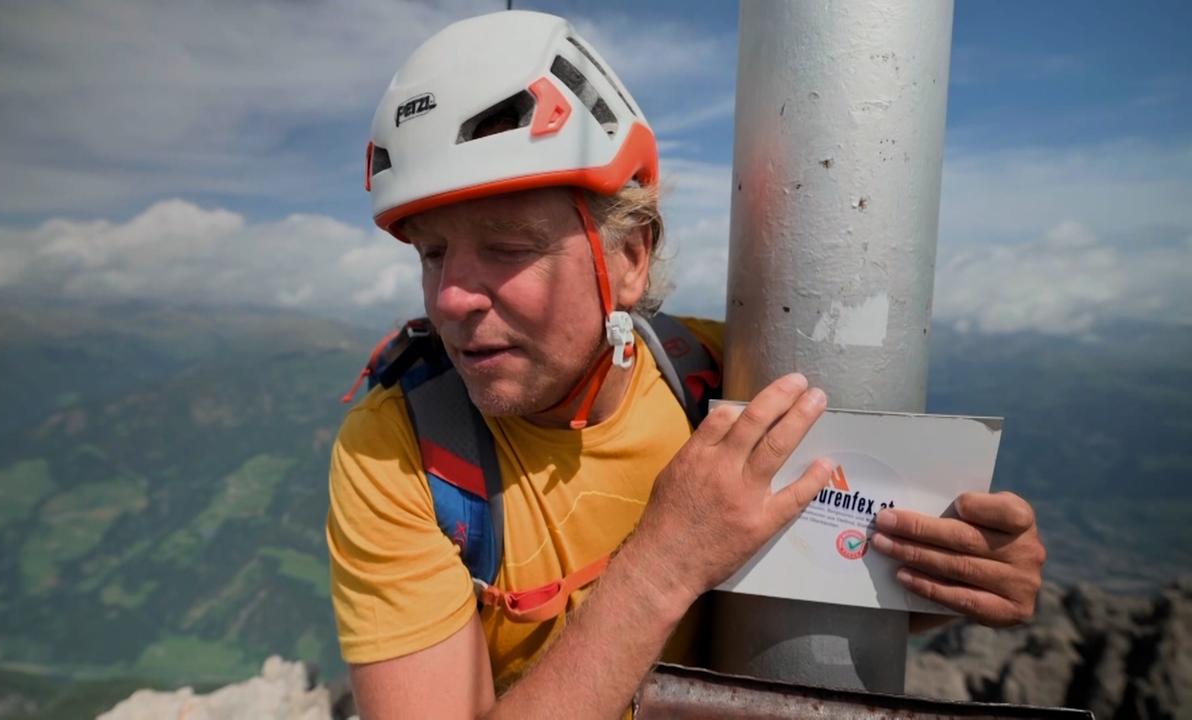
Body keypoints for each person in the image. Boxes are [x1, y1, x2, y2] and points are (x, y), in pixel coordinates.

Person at [327, 10, 1046, 719]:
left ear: (629, 256)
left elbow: (819, 586)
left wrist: (958, 581)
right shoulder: (399, 452)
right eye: (432, 253)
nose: (450, 298)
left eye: (508, 248)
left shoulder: (730, 381)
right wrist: (665, 560)